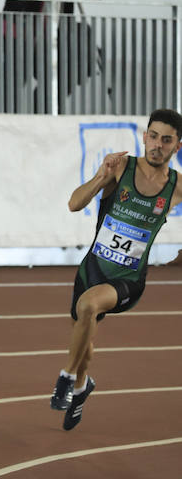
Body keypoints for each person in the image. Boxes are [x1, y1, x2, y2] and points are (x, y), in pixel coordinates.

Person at [50, 109, 182, 430]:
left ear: (177, 146)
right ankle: (82, 386)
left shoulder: (176, 187)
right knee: (85, 335)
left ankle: (66, 379)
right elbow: (73, 203)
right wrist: (100, 176)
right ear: (144, 136)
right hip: (92, 268)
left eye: (167, 140)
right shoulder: (120, 167)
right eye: (153, 136)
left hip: (127, 279)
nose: (157, 145)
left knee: (88, 306)